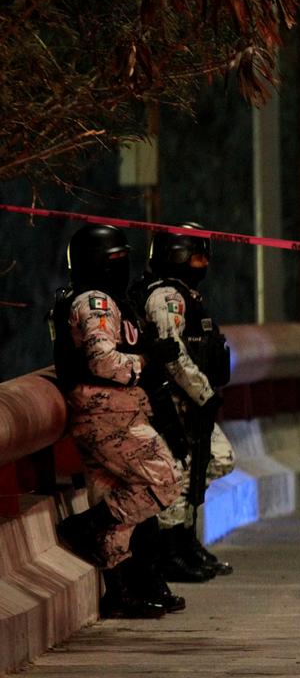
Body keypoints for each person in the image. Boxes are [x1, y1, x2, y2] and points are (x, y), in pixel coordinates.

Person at [51, 223, 184, 618]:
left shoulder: (106, 298)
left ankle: (122, 592)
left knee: (116, 494)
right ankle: (86, 526)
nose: (122, 267)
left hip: (111, 411)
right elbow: (104, 361)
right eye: (115, 260)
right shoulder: (95, 301)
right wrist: (146, 360)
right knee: (167, 481)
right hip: (108, 412)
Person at [130, 223, 236, 583]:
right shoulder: (166, 297)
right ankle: (170, 550)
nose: (203, 262)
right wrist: (204, 394)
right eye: (196, 255)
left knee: (212, 461)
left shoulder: (188, 296)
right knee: (178, 472)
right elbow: (172, 353)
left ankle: (185, 542)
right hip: (172, 402)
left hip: (192, 402)